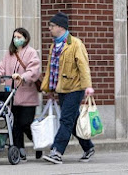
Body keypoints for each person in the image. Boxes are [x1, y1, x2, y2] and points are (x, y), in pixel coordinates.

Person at [41, 12, 95, 164]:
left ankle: (57, 151)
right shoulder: (54, 45)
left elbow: (84, 67)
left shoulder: (76, 44)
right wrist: (50, 90)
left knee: (65, 119)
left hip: (75, 88)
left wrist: (88, 87)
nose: (49, 29)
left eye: (51, 26)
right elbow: (51, 70)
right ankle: (88, 147)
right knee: (72, 121)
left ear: (60, 27)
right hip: (61, 89)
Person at [0, 27, 41, 161]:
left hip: (27, 96)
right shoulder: (9, 54)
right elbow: (1, 68)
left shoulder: (31, 53)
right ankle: (19, 148)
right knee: (15, 124)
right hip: (13, 96)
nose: (16, 40)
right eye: (15, 37)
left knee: (26, 123)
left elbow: (34, 70)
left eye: (19, 37)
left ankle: (38, 143)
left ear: (25, 38)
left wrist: (23, 76)